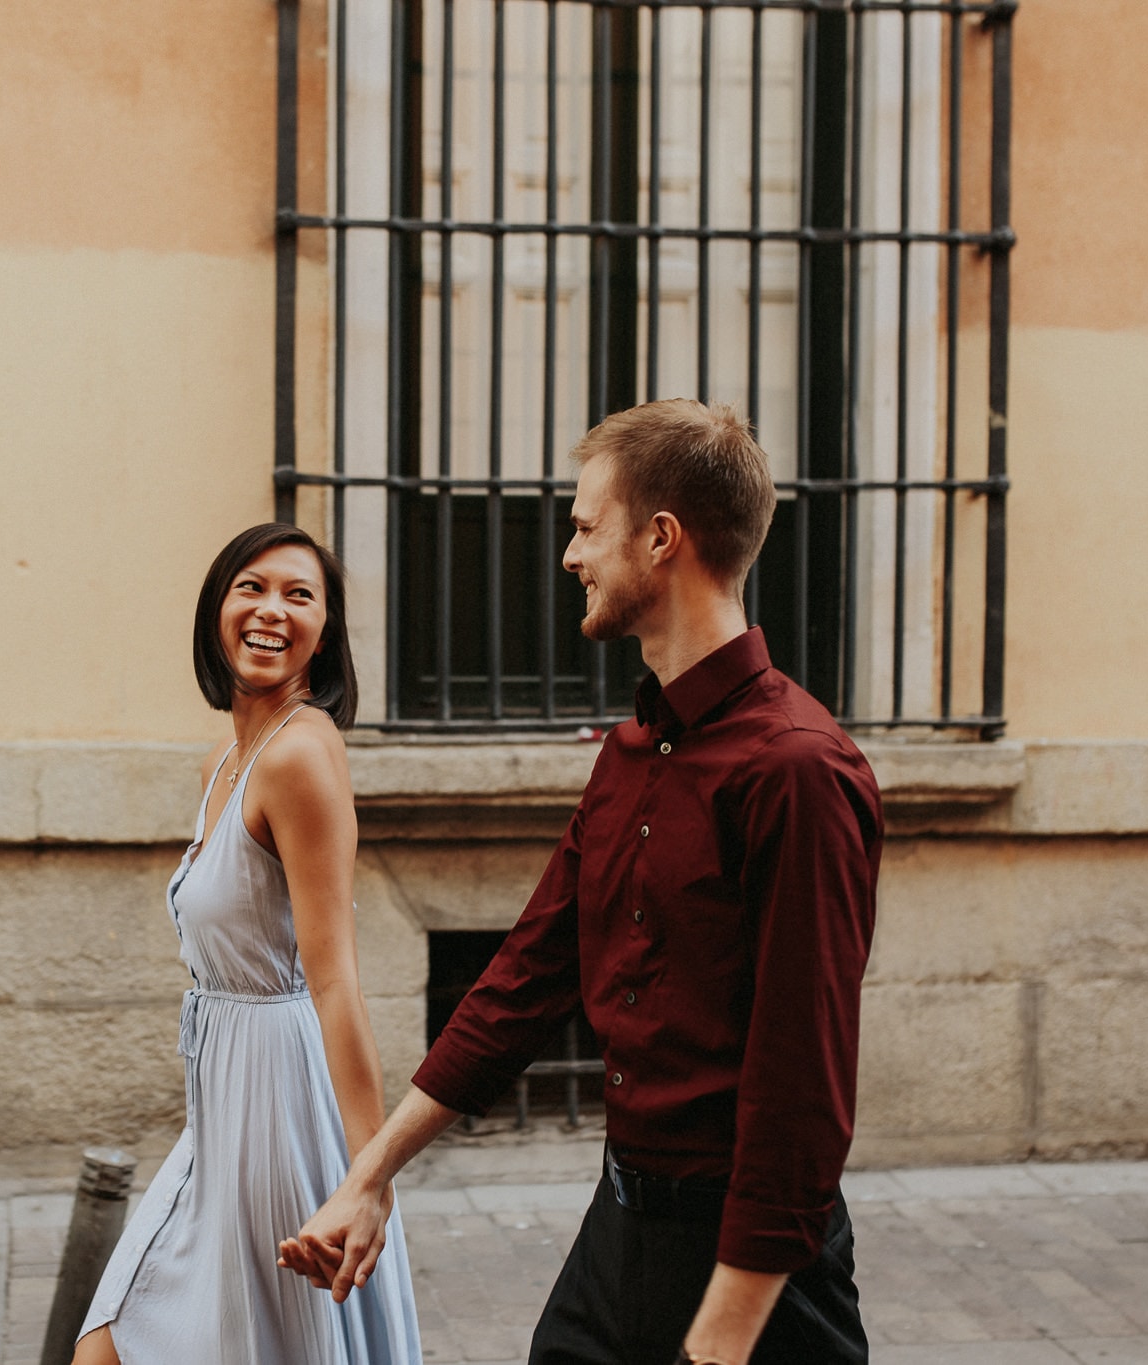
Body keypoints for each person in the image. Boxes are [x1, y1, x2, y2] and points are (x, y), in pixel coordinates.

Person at [280, 400, 882, 1365]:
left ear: (661, 538)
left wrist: (720, 1345)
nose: (568, 555)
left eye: (585, 526)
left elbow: (801, 1086)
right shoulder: (631, 751)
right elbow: (527, 973)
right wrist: (373, 1173)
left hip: (759, 1280)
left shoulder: (799, 768)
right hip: (621, 1228)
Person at [73, 523, 421, 1365]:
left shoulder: (300, 755)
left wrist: (368, 1177)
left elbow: (333, 978)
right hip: (218, 1108)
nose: (272, 610)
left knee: (123, 1347)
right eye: (251, 587)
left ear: (325, 633)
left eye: (299, 595)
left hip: (278, 1104)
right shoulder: (224, 761)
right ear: (217, 609)